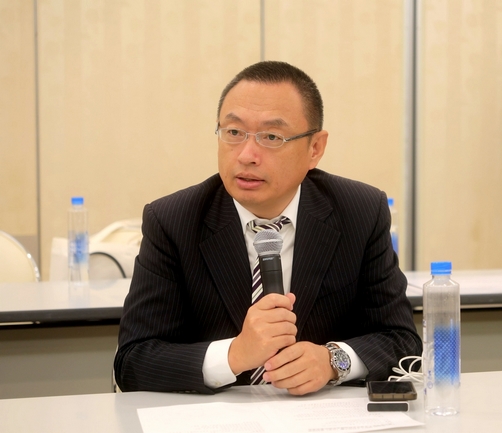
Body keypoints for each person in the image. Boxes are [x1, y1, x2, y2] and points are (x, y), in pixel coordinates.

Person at [114, 61, 422, 395]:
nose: (247, 155)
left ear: (315, 149)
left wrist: (333, 361)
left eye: (271, 137)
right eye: (234, 133)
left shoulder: (359, 211)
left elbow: (401, 340)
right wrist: (233, 355)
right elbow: (133, 361)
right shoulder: (174, 220)